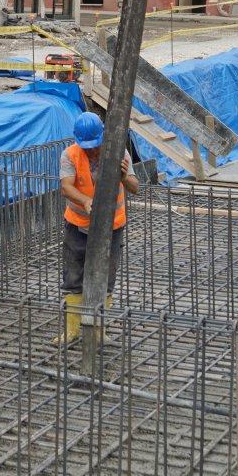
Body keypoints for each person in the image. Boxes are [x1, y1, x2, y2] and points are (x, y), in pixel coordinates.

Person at [55, 111, 140, 346]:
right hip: (78, 225)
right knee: (74, 278)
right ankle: (72, 331)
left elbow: (136, 187)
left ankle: (98, 331)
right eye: (87, 147)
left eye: (95, 145)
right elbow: (65, 187)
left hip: (112, 227)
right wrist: (85, 200)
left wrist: (124, 176)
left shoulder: (119, 152)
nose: (92, 151)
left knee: (106, 279)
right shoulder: (70, 154)